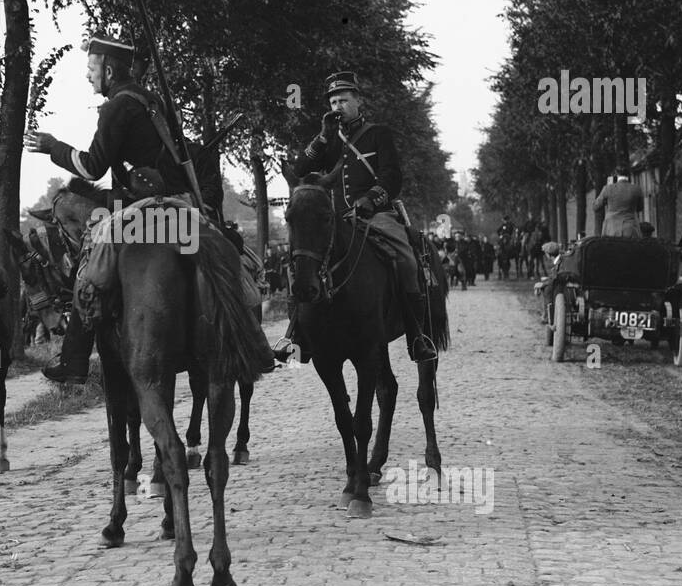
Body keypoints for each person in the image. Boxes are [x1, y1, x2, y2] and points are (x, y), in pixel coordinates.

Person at [25, 33, 273, 383]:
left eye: (90, 68)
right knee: (226, 257)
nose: (87, 76)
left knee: (87, 272)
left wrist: (54, 147)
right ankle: (257, 344)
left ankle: (74, 361)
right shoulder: (151, 99)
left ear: (108, 71)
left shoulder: (115, 107)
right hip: (178, 204)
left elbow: (93, 166)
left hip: (138, 210)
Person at [274, 71, 438, 364]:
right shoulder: (328, 139)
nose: (338, 106)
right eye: (334, 101)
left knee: (406, 259)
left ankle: (416, 334)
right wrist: (322, 137)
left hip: (374, 215)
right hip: (334, 219)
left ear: (358, 101)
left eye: (344, 100)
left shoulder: (378, 134)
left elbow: (392, 176)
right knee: (300, 260)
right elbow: (299, 170)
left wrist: (369, 199)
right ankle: (295, 333)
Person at [594, 165, 644, 238]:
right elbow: (640, 208)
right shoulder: (636, 189)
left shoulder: (608, 188)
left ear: (616, 174)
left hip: (611, 230)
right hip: (630, 229)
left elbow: (596, 207)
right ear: (629, 174)